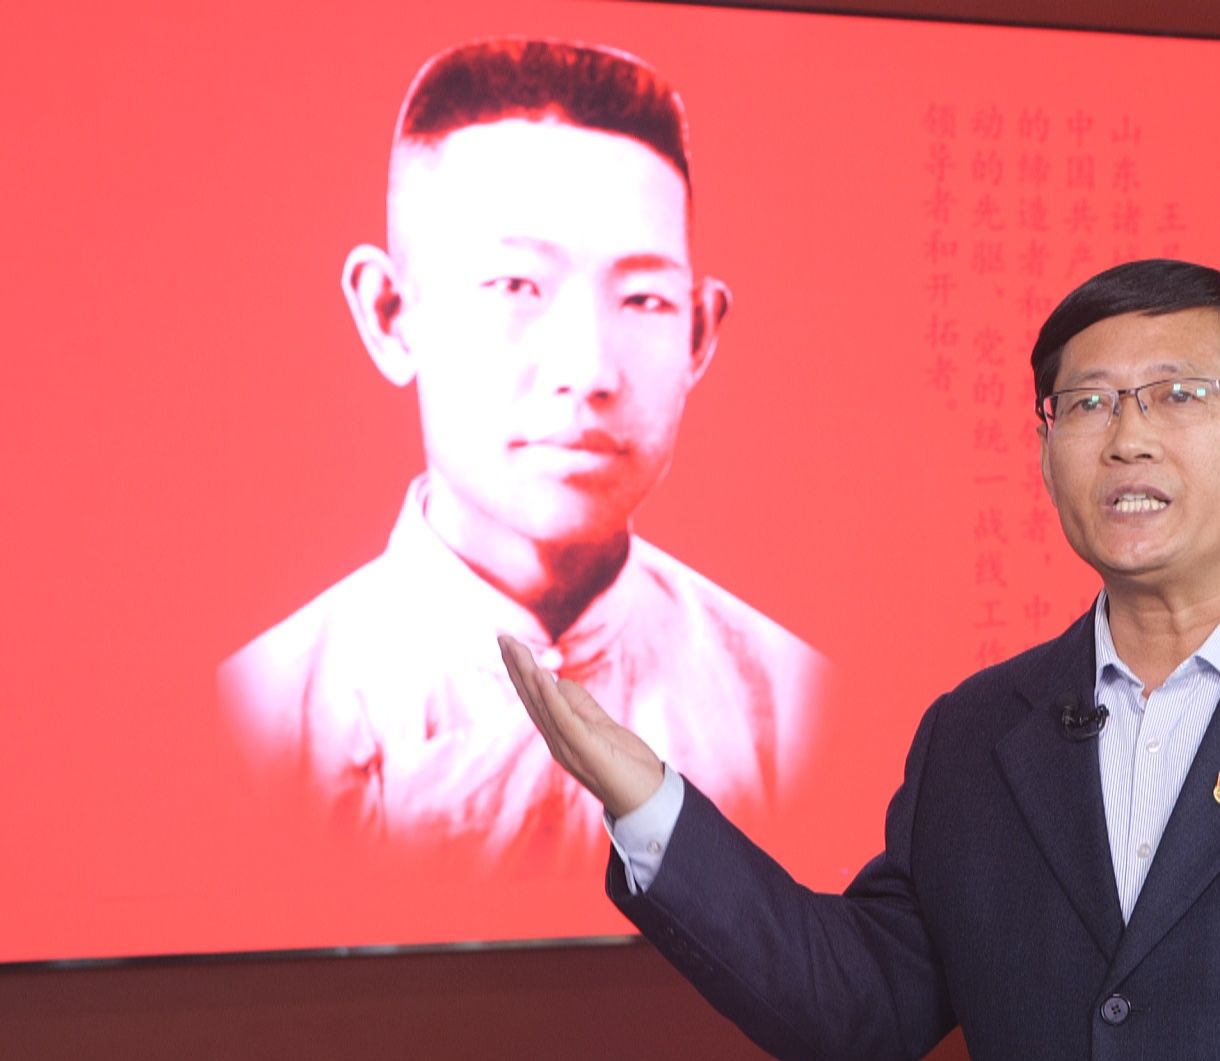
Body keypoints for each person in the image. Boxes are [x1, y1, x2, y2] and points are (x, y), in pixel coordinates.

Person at [501, 259, 1220, 1061]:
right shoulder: (979, 733)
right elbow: (857, 1005)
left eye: (1178, 395)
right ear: (1045, 449)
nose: (1127, 438)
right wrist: (645, 802)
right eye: (1088, 403)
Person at [220, 39, 827, 868]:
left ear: (699, 331)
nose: (588, 370)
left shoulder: (790, 703)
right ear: (390, 312)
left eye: (643, 298)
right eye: (515, 286)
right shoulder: (261, 716)